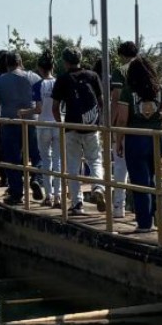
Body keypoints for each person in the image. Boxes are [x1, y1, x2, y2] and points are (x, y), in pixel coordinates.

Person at [114, 55, 162, 233]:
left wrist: (119, 141)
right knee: (153, 178)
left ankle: (144, 223)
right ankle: (157, 214)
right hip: (156, 138)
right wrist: (156, 118)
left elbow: (122, 119)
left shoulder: (128, 91)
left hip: (135, 138)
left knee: (140, 182)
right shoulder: (160, 89)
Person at [51, 47, 106, 213]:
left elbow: (55, 107)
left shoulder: (63, 79)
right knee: (95, 160)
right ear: (80, 60)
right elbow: (101, 102)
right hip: (91, 126)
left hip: (71, 127)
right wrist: (99, 121)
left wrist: (61, 124)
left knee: (73, 165)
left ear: (65, 62)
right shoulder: (92, 76)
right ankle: (98, 187)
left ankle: (77, 203)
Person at [0, 51, 38, 206]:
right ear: (20, 62)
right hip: (31, 123)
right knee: (37, 155)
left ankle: (16, 193)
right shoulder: (33, 77)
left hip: (9, 123)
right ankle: (37, 179)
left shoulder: (0, 80)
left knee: (12, 160)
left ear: (6, 64)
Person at [108, 42, 140, 218]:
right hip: (146, 126)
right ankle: (152, 208)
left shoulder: (121, 71)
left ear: (122, 55)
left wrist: (110, 123)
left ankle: (119, 207)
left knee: (121, 165)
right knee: (146, 168)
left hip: (125, 122)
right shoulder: (147, 68)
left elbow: (116, 99)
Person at [32, 54, 61, 205]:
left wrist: (24, 112)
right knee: (58, 160)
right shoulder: (58, 83)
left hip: (43, 125)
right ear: (53, 67)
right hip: (57, 124)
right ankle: (58, 195)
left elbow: (38, 109)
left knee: (45, 160)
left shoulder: (38, 85)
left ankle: (48, 195)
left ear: (39, 68)